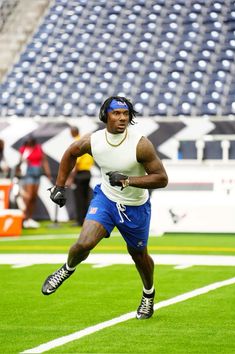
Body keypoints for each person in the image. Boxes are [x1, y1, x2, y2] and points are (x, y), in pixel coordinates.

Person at [42, 96, 168, 320]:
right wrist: (59, 186)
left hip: (135, 207)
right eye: (116, 113)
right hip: (107, 200)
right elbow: (71, 153)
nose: (122, 118)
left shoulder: (141, 144)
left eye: (125, 114)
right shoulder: (94, 140)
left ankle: (148, 294)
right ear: (105, 116)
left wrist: (128, 180)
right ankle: (67, 269)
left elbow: (161, 178)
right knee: (84, 243)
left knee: (139, 255)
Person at [17, 135, 51, 228]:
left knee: (34, 197)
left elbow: (44, 160)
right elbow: (20, 162)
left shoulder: (39, 148)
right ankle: (22, 218)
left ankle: (29, 218)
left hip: (37, 174)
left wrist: (47, 172)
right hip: (28, 174)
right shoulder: (24, 149)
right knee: (28, 196)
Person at [68, 126, 94, 226]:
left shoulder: (76, 143)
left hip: (80, 174)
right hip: (87, 173)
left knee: (79, 198)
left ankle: (79, 221)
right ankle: (85, 219)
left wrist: (71, 178)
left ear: (72, 132)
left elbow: (76, 163)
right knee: (85, 197)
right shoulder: (85, 142)